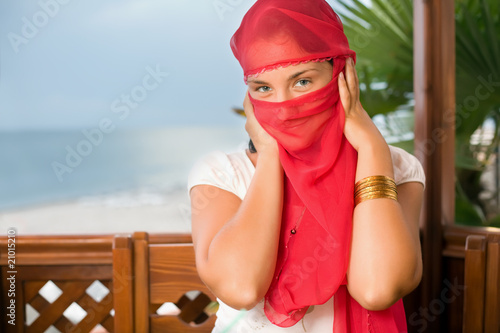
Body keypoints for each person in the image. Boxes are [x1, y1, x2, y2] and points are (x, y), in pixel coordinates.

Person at [188, 0, 425, 332]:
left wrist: (371, 147)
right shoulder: (222, 172)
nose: (284, 109)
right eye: (264, 88)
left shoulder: (397, 167)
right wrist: (270, 156)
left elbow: (377, 289)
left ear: (342, 75)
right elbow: (241, 288)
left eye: (302, 82)